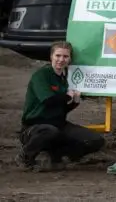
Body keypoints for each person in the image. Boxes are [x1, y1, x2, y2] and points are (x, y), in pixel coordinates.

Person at [17, 41, 105, 170]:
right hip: (34, 126)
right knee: (49, 131)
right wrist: (68, 96)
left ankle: (59, 157)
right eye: (58, 55)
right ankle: (25, 157)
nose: (61, 60)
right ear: (51, 56)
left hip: (58, 124)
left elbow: (61, 108)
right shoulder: (42, 75)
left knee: (96, 140)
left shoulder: (65, 78)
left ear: (70, 59)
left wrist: (75, 102)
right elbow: (49, 101)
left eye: (65, 56)